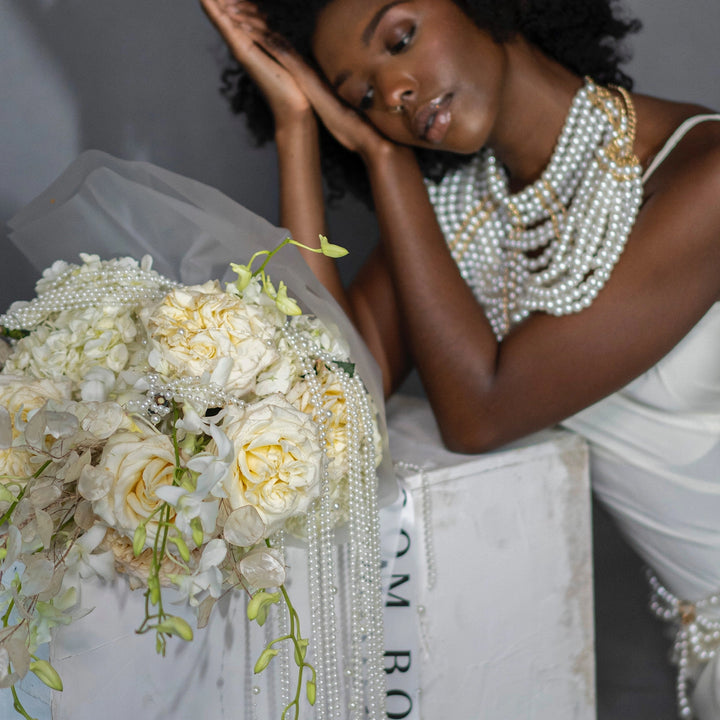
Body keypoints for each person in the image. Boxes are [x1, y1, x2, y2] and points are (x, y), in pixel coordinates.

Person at [200, 0, 720, 716]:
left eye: (400, 38)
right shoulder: (463, 220)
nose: (394, 93)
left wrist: (384, 157)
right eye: (360, 97)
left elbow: (481, 412)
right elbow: (330, 400)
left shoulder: (705, 176)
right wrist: (295, 127)